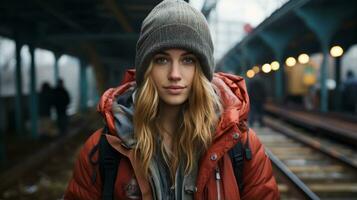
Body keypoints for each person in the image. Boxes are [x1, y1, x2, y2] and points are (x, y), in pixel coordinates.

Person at [64, 0, 279, 199]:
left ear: (202, 70)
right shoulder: (102, 148)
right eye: (161, 59)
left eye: (187, 60)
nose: (175, 73)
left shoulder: (241, 147)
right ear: (145, 69)